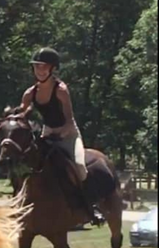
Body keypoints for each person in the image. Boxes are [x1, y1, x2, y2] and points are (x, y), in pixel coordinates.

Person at [12, 47, 104, 225]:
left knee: (79, 167)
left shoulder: (61, 90)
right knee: (26, 165)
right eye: (37, 67)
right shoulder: (30, 93)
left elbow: (69, 120)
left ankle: (92, 208)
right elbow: (22, 113)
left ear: (52, 69)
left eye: (44, 67)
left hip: (69, 134)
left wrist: (60, 133)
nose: (39, 71)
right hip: (47, 133)